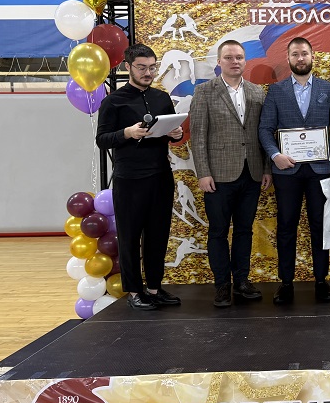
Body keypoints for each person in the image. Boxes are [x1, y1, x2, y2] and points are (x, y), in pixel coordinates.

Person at [95, 43, 184, 310]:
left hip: (160, 176)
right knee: (130, 237)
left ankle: (154, 288)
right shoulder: (113, 101)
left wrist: (176, 134)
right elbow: (102, 139)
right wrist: (127, 133)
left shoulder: (162, 98)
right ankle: (134, 291)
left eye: (152, 67)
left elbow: (169, 133)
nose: (148, 73)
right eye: (142, 68)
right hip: (130, 180)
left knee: (158, 235)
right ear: (128, 67)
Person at [259, 37, 330, 304]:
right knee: (286, 226)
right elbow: (265, 129)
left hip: (321, 171)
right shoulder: (276, 91)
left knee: (320, 225)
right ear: (288, 58)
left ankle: (321, 280)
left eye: (304, 53)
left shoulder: (327, 89)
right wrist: (275, 155)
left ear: (312, 57)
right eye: (295, 54)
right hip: (287, 171)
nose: (300, 58)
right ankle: (286, 282)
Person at [189, 40, 271, 308]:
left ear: (245, 60)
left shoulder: (257, 92)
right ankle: (222, 285)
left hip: (252, 173)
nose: (234, 62)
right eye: (229, 57)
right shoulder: (204, 92)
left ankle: (242, 281)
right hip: (218, 175)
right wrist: (203, 172)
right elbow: (198, 136)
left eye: (239, 57)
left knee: (245, 230)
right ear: (219, 62)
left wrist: (267, 168)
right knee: (218, 232)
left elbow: (263, 134)